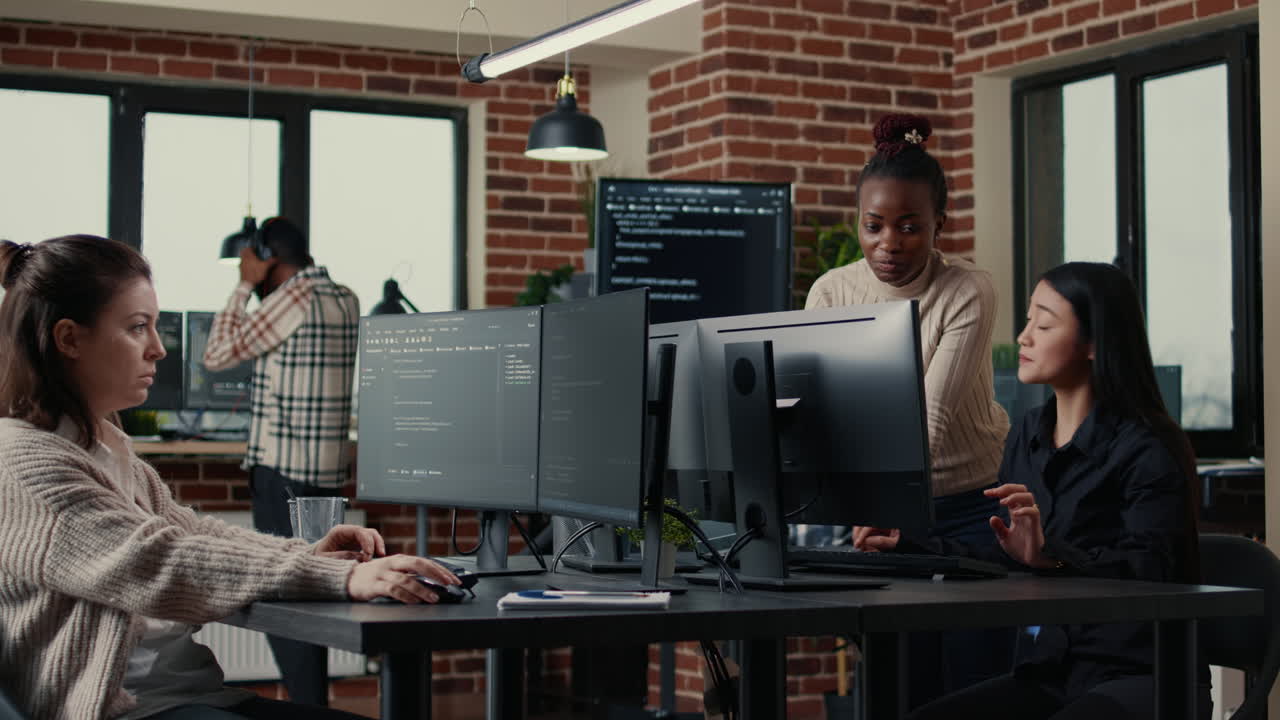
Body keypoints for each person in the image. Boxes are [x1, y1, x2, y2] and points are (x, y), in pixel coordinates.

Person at [0, 235, 460, 720]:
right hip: (129, 712)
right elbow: (158, 559)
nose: (158, 349)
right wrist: (338, 575)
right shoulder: (23, 462)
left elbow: (190, 531)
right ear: (69, 338)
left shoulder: (102, 445)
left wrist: (305, 554)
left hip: (191, 698)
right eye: (138, 328)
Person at [858, 261, 1205, 720]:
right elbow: (1005, 557)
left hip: (1144, 676)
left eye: (1043, 324)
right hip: (1052, 672)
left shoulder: (1150, 447)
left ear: (1094, 343)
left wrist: (1051, 556)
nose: (1023, 337)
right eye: (1028, 321)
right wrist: (908, 544)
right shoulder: (1027, 436)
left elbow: (1153, 570)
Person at [804, 112, 1014, 700]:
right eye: (874, 226)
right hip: (887, 506)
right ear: (859, 222)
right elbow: (824, 409)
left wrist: (880, 497)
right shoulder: (831, 293)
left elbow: (933, 418)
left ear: (939, 224)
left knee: (975, 687)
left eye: (909, 226)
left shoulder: (967, 290)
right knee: (900, 683)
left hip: (974, 508)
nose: (889, 244)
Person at [202, 217, 361, 706]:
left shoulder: (290, 298)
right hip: (326, 473)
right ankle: (311, 704)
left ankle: (307, 705)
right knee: (313, 598)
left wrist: (244, 287)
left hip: (283, 470)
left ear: (268, 257)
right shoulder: (346, 297)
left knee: (284, 599)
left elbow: (217, 354)